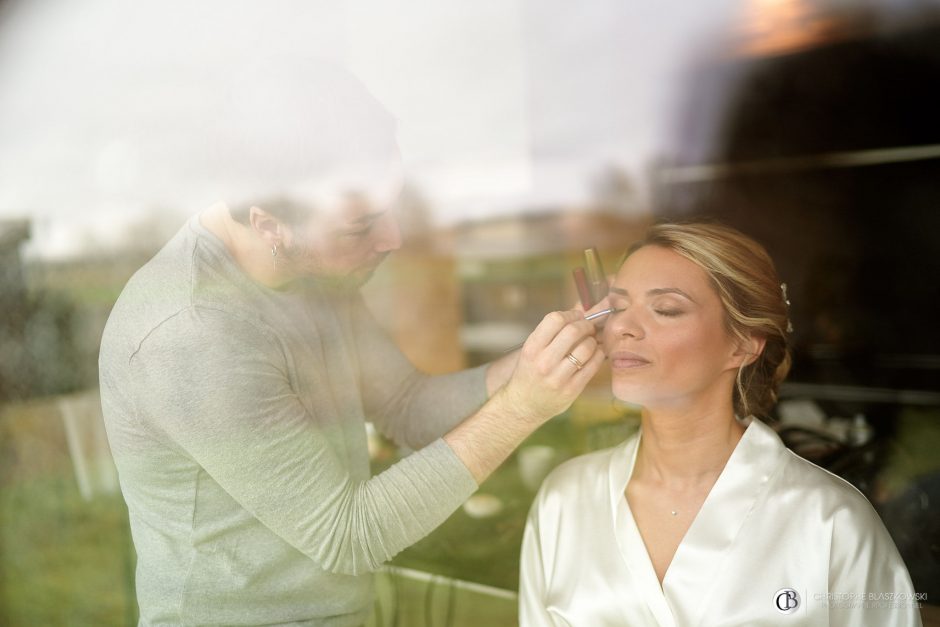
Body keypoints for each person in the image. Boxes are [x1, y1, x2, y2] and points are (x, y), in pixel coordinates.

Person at [98, 59, 605, 626]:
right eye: (360, 226)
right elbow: (349, 535)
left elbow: (408, 406)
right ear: (269, 225)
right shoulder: (191, 333)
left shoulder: (314, 273)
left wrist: (536, 358)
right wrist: (520, 409)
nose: (392, 238)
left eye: (390, 209)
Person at [519, 223, 922, 626]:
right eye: (618, 308)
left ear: (743, 343)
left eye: (666, 310)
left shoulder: (829, 520)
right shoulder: (564, 500)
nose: (623, 327)